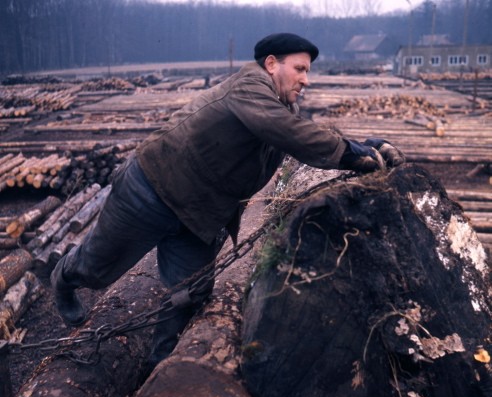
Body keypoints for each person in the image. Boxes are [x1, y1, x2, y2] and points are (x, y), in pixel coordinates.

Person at [51, 32, 404, 365]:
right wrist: (350, 153)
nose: (305, 80)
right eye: (299, 69)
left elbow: (305, 133)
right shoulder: (249, 86)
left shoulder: (279, 109)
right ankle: (63, 278)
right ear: (270, 64)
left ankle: (158, 365)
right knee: (95, 270)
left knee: (188, 295)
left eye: (307, 72)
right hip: (152, 190)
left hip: (198, 217)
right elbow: (289, 132)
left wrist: (366, 145)